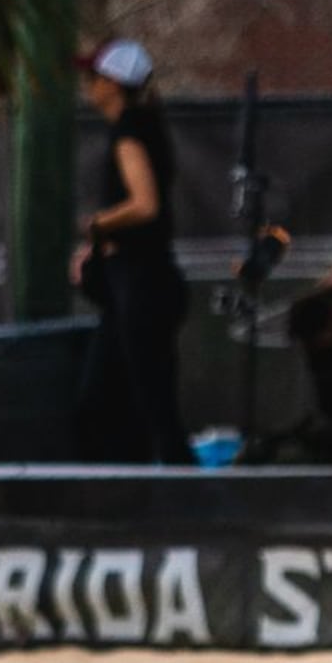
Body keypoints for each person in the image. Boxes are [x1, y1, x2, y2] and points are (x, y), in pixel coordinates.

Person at [75, 39, 192, 464]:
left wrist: (97, 224)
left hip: (142, 282)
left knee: (149, 398)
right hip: (137, 280)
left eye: (95, 76)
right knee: (111, 392)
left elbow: (145, 204)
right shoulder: (144, 127)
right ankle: (135, 481)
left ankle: (174, 481)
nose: (88, 84)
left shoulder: (129, 133)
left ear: (114, 83)